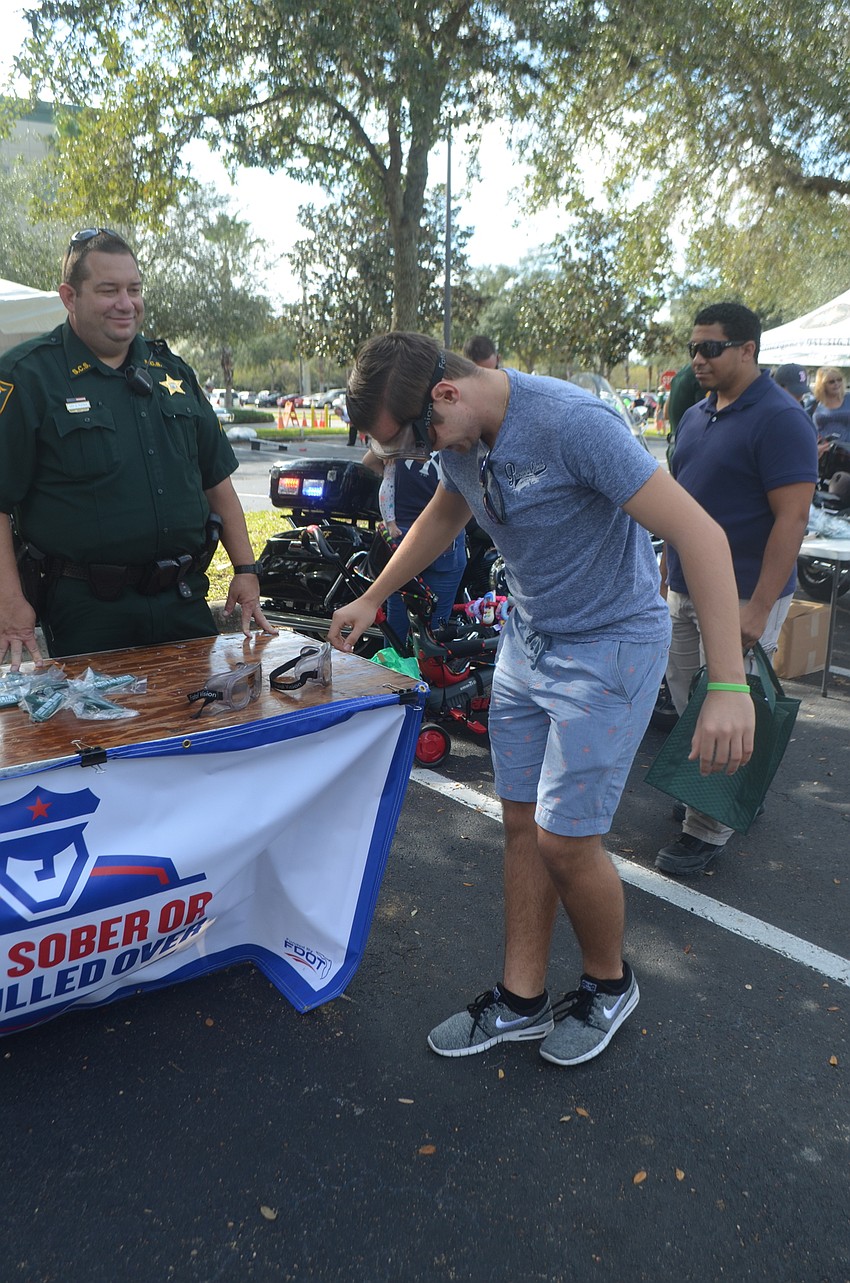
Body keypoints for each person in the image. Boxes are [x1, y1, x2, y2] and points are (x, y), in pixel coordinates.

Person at [328, 332, 754, 1069]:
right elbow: (445, 513)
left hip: (610, 643)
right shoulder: (458, 438)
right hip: (530, 642)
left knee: (566, 839)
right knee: (522, 821)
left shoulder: (571, 423)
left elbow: (702, 536)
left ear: (447, 393)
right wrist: (374, 595)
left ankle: (609, 983)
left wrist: (726, 683)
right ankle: (521, 999)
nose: (421, 458)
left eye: (417, 441)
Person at [0, 228, 276, 666]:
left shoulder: (172, 372)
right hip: (89, 610)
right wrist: (9, 601)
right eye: (108, 290)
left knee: (200, 724)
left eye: (134, 289)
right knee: (99, 731)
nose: (126, 303)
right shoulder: (27, 376)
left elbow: (215, 481)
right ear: (69, 297)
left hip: (183, 598)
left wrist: (245, 570)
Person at [658, 302, 818, 876]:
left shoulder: (782, 419)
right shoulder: (700, 413)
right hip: (682, 588)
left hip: (745, 594)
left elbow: (791, 521)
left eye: (711, 348)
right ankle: (708, 786)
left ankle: (708, 827)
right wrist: (665, 571)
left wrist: (757, 605)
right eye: (693, 348)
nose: (698, 358)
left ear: (748, 349)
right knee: (687, 700)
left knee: (726, 702)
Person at [360, 447, 467, 645]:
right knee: (436, 634)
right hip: (444, 542)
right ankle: (427, 674)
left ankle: (395, 673)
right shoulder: (453, 439)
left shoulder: (402, 436)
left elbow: (369, 460)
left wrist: (390, 463)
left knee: (396, 632)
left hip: (401, 537)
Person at [811, 367, 850, 449]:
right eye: (831, 382)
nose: (836, 383)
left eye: (839, 380)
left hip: (847, 451)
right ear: (822, 385)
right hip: (823, 451)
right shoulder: (814, 402)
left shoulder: (848, 398)